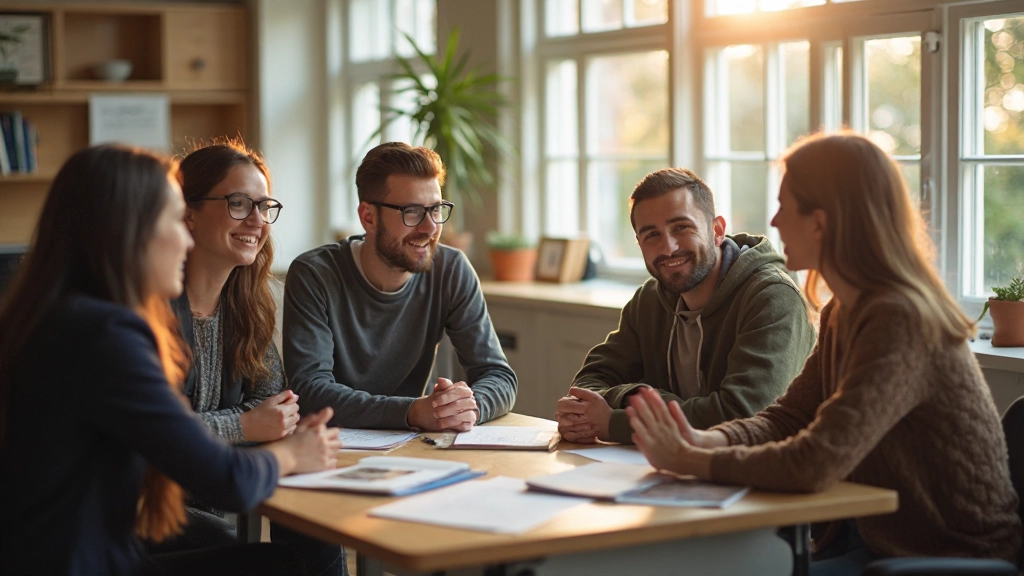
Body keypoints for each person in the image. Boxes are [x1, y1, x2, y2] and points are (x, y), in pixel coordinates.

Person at [627, 132, 1022, 574]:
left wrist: (695, 461)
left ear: (821, 222)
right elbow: (789, 418)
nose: (774, 221)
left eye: (785, 206)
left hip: (948, 559)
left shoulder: (901, 318)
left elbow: (815, 461)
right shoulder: (844, 309)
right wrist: (703, 440)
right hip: (876, 546)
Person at [0, 144, 342, 576]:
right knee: (279, 566)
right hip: (84, 561)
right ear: (129, 230)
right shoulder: (105, 335)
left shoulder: (61, 317)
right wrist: (292, 453)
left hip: (66, 553)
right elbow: (225, 479)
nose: (184, 237)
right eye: (173, 220)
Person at [151, 139, 346, 575]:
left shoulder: (247, 306)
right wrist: (243, 425)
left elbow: (277, 406)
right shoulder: (148, 309)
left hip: (218, 484)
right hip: (146, 506)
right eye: (239, 204)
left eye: (264, 206)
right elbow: (154, 434)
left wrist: (255, 424)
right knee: (254, 555)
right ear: (188, 213)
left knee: (312, 522)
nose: (257, 220)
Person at [556, 167, 815, 444]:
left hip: (766, 467)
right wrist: (634, 397)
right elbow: (589, 383)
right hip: (668, 464)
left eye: (681, 227)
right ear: (639, 244)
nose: (668, 248)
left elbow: (743, 415)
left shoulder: (772, 297)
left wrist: (617, 422)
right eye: (651, 235)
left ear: (717, 231)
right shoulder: (649, 300)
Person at [284, 142, 516, 431]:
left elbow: (498, 375)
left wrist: (464, 408)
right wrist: (411, 412)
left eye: (436, 209)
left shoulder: (451, 269)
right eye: (412, 212)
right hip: (331, 445)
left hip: (418, 445)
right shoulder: (314, 274)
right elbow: (310, 391)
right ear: (368, 217)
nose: (430, 228)